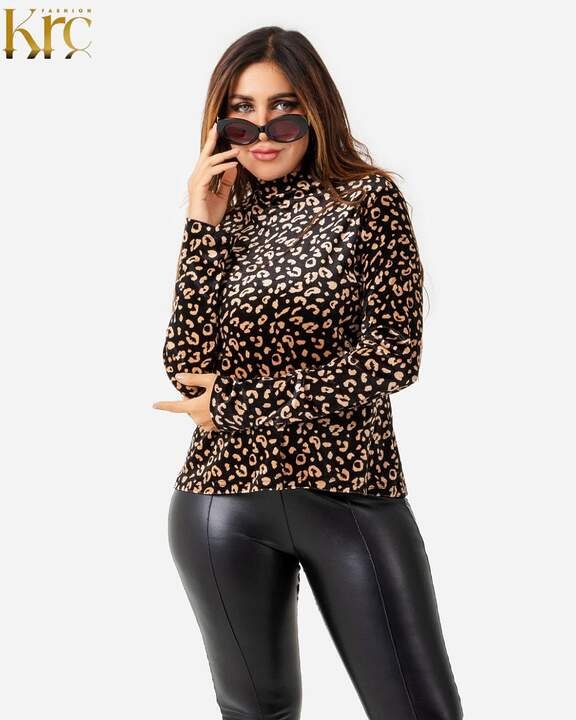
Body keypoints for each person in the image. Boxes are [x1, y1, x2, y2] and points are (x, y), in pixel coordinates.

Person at [153, 25, 464, 720]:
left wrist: (238, 405)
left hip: (349, 494)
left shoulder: (368, 201)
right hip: (221, 501)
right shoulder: (224, 214)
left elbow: (393, 353)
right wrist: (202, 226)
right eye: (242, 113)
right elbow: (188, 369)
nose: (263, 132)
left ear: (317, 111)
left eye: (284, 110)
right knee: (257, 713)